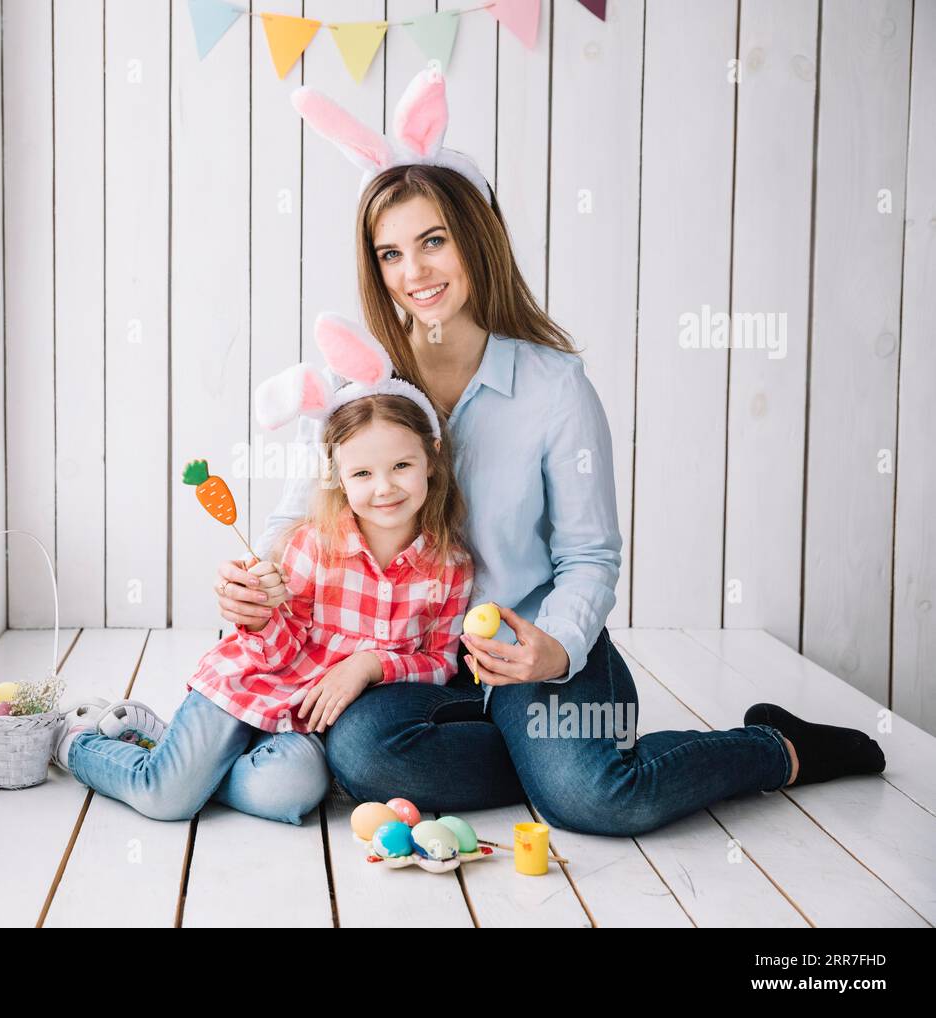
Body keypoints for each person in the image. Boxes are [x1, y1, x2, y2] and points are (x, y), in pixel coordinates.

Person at [214, 68, 886, 835]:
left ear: (475, 235)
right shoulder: (362, 381)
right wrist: (255, 577)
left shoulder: (554, 387)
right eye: (391, 253)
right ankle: (561, 762)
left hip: (528, 650)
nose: (415, 273)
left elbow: (590, 555)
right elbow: (299, 512)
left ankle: (774, 745)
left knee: (599, 801)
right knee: (362, 751)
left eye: (433, 241)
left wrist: (556, 650)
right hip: (414, 657)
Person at [54, 323, 476, 826]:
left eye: (401, 465)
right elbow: (275, 650)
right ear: (338, 477)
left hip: (300, 727)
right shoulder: (314, 544)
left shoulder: (450, 567)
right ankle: (78, 744)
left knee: (294, 791)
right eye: (362, 473)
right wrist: (261, 619)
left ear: (430, 457)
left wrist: (371, 665)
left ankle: (174, 753)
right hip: (251, 686)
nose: (384, 488)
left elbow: (438, 662)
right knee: (166, 798)